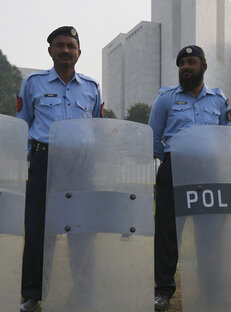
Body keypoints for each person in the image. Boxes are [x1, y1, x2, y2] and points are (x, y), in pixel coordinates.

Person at [15, 26, 102, 312]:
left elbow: (97, 129)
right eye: (60, 45)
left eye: (71, 46)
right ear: (50, 50)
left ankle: (84, 291)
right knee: (39, 231)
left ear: (79, 52)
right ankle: (32, 295)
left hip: (81, 165)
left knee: (82, 233)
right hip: (45, 161)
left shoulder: (91, 87)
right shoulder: (33, 83)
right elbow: (23, 124)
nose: (66, 50)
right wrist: (32, 164)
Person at [148, 45, 231, 310]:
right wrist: (172, 158)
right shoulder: (166, 98)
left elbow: (226, 136)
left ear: (203, 66)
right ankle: (163, 291)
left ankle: (210, 288)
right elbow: (152, 136)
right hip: (175, 168)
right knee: (168, 232)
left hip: (209, 172)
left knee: (209, 233)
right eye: (182, 62)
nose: (186, 67)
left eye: (191, 62)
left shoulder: (219, 101)